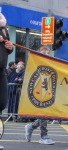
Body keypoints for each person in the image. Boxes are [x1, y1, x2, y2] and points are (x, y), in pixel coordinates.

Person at [25, 45, 55, 145]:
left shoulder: (51, 63)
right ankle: (43, 136)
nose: (46, 55)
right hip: (39, 90)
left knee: (45, 114)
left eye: (48, 53)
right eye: (43, 53)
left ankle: (31, 126)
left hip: (48, 89)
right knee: (44, 113)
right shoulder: (36, 62)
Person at [0, 13, 13, 149]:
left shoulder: (4, 27)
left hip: (1, 69)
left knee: (2, 102)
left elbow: (7, 48)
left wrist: (10, 47)